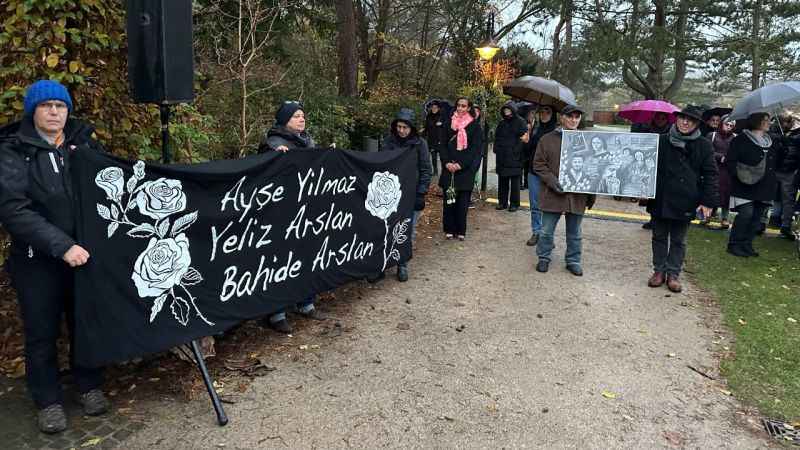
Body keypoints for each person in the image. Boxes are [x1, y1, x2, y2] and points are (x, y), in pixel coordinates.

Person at [0, 80, 110, 433]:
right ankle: (47, 400)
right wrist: (62, 246)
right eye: (46, 105)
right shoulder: (13, 150)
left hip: (84, 258)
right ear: (33, 111)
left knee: (85, 323)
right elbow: (14, 210)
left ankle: (90, 385)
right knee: (41, 332)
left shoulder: (82, 144)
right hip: (37, 261)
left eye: (60, 106)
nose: (53, 112)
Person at [258, 101, 324, 332]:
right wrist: (273, 157)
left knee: (307, 255)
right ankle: (276, 312)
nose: (301, 119)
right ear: (285, 120)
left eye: (303, 115)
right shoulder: (273, 143)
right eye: (296, 116)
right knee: (281, 260)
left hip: (305, 210)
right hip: (282, 213)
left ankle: (305, 302)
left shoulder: (307, 141)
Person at [646, 106, 718, 293]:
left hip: (686, 198)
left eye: (691, 120)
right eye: (683, 118)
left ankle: (673, 274)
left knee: (679, 240)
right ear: (676, 119)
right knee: (659, 236)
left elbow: (711, 174)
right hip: (661, 196)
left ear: (696, 124)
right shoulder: (661, 140)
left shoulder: (704, 145)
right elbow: (646, 166)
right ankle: (658, 271)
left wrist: (707, 201)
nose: (685, 122)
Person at [532, 104, 596, 276]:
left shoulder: (587, 141)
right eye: (570, 116)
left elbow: (594, 168)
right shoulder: (547, 139)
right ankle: (544, 257)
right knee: (546, 230)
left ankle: (573, 260)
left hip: (577, 195)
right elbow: (538, 164)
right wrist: (552, 181)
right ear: (562, 118)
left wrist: (592, 194)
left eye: (577, 117)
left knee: (575, 232)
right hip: (553, 193)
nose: (574, 120)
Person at [381, 108, 432, 281]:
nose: (401, 131)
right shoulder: (388, 142)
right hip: (391, 193)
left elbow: (426, 169)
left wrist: (421, 192)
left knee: (406, 231)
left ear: (412, 128)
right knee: (386, 229)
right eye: (399, 127)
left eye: (405, 127)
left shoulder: (420, 144)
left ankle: (402, 264)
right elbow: (380, 165)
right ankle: (381, 263)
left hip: (411, 193)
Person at [726, 112, 778, 257]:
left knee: (757, 217)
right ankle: (734, 244)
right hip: (744, 184)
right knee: (746, 214)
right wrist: (739, 175)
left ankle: (747, 244)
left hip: (764, 185)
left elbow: (776, 162)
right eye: (766, 120)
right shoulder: (741, 140)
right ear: (757, 122)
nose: (769, 123)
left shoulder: (772, 141)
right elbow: (731, 161)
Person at [439, 97, 482, 240]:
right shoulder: (448, 123)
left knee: (462, 203)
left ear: (469, 108)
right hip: (449, 168)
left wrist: (461, 164)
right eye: (458, 105)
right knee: (449, 201)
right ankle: (449, 229)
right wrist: (446, 163)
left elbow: (475, 149)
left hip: (464, 170)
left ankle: (460, 230)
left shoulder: (475, 126)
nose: (460, 108)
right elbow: (443, 145)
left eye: (464, 106)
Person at [524, 105, 557, 246]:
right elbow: (528, 149)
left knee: (550, 205)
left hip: (550, 173)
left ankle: (547, 235)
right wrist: (528, 137)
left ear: (552, 114)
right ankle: (537, 231)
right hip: (534, 171)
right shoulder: (535, 128)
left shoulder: (557, 131)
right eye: (541, 112)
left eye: (547, 112)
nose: (544, 115)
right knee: (535, 204)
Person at [493, 102, 528, 212]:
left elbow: (524, 139)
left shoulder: (521, 122)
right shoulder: (501, 123)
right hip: (502, 157)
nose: (506, 112)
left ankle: (514, 204)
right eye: (505, 110)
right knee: (502, 181)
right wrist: (497, 150)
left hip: (515, 157)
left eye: (508, 109)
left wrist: (515, 151)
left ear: (513, 109)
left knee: (515, 183)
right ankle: (502, 202)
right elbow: (497, 138)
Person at [769, 112, 799, 239]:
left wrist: (788, 139)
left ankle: (786, 225)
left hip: (790, 171)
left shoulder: (796, 134)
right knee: (768, 195)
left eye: (786, 122)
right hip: (776, 168)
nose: (784, 124)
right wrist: (780, 138)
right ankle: (762, 222)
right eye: (782, 122)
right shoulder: (775, 131)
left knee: (788, 199)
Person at [706, 115, 736, 229]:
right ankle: (707, 216)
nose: (728, 127)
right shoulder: (712, 135)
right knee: (711, 191)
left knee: (726, 195)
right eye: (726, 124)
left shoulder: (735, 138)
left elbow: (736, 153)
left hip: (727, 171)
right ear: (721, 124)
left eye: (731, 125)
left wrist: (729, 158)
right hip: (713, 169)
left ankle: (724, 218)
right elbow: (707, 151)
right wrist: (719, 157)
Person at [423, 101, 448, 176]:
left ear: (438, 108)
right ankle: (435, 171)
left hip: (440, 140)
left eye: (435, 108)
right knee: (433, 157)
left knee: (442, 157)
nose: (434, 109)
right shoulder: (429, 116)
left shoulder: (442, 116)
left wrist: (442, 124)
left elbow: (448, 126)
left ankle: (444, 171)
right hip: (432, 140)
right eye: (432, 108)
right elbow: (426, 127)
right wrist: (423, 131)